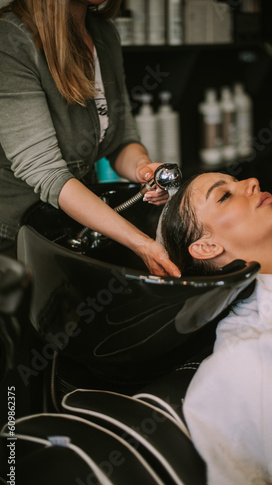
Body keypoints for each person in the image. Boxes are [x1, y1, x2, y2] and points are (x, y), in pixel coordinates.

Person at [161, 172, 272, 485]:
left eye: (236, 182)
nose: (252, 181)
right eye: (224, 195)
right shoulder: (247, 356)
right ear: (207, 245)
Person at [0, 0, 180, 277]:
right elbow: (48, 175)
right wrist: (141, 243)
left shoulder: (103, 33)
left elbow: (121, 140)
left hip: (71, 227)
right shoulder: (10, 40)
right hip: (13, 238)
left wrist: (143, 168)